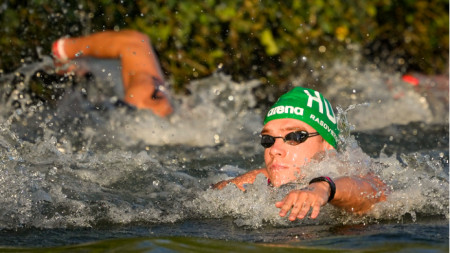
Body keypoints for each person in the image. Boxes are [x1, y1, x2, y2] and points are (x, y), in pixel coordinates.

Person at [213, 87, 387, 221]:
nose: (274, 150)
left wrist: (324, 188)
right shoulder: (259, 180)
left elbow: (373, 192)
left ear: (326, 144)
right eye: (268, 139)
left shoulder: (350, 171)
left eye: (294, 137)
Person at [51, 30, 173, 117]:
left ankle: (64, 51)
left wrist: (64, 49)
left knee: (135, 44)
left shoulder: (148, 92)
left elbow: (133, 42)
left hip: (132, 125)